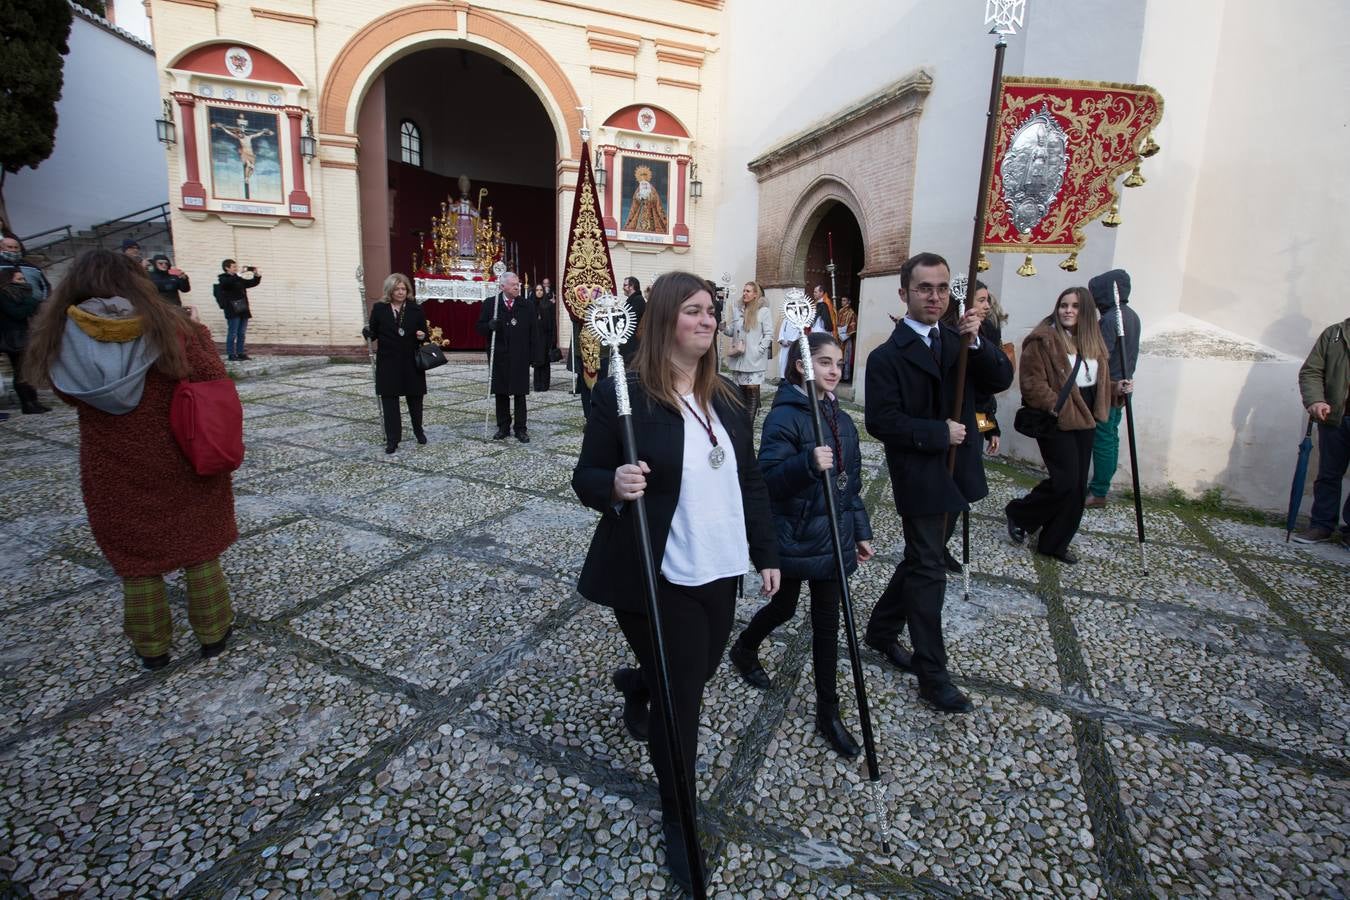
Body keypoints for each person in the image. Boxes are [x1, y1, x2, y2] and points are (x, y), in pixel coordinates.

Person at [572, 271, 779, 893]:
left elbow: (750, 482)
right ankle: (681, 815)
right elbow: (586, 475)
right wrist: (613, 485)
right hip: (653, 570)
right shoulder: (624, 393)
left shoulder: (733, 399)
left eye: (711, 311)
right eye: (693, 311)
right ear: (664, 319)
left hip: (718, 565)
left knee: (695, 669)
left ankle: (637, 683)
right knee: (684, 698)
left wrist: (766, 552)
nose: (708, 320)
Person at [24, 250, 237, 668]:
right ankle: (213, 635)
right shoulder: (174, 328)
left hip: (112, 463)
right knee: (200, 548)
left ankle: (152, 648)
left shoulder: (60, 333)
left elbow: (66, 393)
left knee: (137, 561)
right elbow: (214, 380)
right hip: (182, 455)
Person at [862, 252, 1013, 714]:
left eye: (943, 288)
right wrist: (936, 433)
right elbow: (880, 421)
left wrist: (978, 342)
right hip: (921, 473)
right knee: (929, 571)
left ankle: (882, 630)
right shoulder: (886, 357)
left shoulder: (957, 340)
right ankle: (933, 675)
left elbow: (1001, 379)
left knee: (920, 559)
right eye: (925, 288)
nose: (935, 297)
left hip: (958, 469)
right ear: (904, 292)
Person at [730, 332, 873, 757]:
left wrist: (860, 531)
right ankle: (744, 647)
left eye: (838, 363)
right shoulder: (785, 417)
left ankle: (828, 711)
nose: (834, 370)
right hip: (794, 533)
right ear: (801, 366)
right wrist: (807, 464)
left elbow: (850, 484)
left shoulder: (840, 419)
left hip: (832, 538)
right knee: (785, 606)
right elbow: (767, 479)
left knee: (828, 625)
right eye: (825, 362)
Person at [1006, 287, 1127, 564]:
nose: (1068, 310)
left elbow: (1093, 385)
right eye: (1063, 305)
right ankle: (1020, 513)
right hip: (1058, 418)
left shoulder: (1093, 344)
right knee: (1065, 482)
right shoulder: (1042, 340)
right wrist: (1057, 408)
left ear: (1086, 312)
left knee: (1077, 486)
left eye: (1074, 306)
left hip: (1086, 417)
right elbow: (1032, 383)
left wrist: (1116, 388)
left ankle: (1054, 543)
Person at [1086, 269, 1140, 508]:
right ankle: (1100, 487)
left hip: (1108, 388)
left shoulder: (1112, 319)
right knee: (1110, 436)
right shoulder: (1131, 315)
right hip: (1119, 386)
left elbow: (1099, 355)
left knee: (1104, 438)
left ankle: (1098, 491)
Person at [1294, 315, 1350, 544]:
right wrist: (1315, 401)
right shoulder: (1335, 334)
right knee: (1328, 474)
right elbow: (1311, 371)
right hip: (1337, 417)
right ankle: (1321, 525)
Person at [363, 273, 429, 454]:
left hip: (411, 361)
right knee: (390, 402)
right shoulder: (379, 309)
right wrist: (367, 332)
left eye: (403, 289)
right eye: (397, 289)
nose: (401, 292)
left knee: (415, 400)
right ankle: (393, 439)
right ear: (390, 290)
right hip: (388, 362)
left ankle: (418, 430)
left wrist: (422, 335)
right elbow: (374, 333)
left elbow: (424, 332)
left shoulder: (415, 309)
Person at [476, 272, 540, 442]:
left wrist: (534, 356)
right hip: (499, 356)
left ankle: (520, 428)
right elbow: (480, 327)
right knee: (501, 393)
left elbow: (534, 331)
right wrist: (489, 326)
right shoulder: (492, 304)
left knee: (520, 393)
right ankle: (503, 426)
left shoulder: (526, 305)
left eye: (518, 284)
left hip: (520, 356)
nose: (517, 287)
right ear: (502, 286)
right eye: (513, 285)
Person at [719, 280, 774, 427]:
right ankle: (742, 421)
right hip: (739, 358)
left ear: (755, 294)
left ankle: (748, 425)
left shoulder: (763, 311)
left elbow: (768, 334)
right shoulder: (738, 310)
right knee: (741, 391)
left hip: (754, 359)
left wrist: (759, 350)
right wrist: (723, 327)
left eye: (748, 291)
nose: (744, 293)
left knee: (752, 391)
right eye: (744, 290)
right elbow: (733, 332)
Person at [1, 267, 52, 414]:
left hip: (24, 334)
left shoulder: (21, 294)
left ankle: (34, 401)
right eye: (19, 279)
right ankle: (27, 404)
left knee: (27, 370)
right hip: (13, 338)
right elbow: (17, 313)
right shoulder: (5, 294)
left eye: (23, 279)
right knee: (20, 371)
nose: (23, 282)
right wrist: (31, 301)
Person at [969, 281, 1010, 454]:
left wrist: (990, 428)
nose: (987, 306)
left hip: (974, 421)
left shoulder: (985, 335)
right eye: (981, 300)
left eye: (988, 302)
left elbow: (981, 398)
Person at [216, 259, 261, 360]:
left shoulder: (238, 279)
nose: (236, 269)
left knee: (241, 333)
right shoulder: (223, 278)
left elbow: (252, 283)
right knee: (233, 332)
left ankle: (240, 352)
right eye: (234, 267)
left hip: (242, 308)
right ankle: (231, 354)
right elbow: (227, 284)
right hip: (232, 309)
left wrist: (256, 275)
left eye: (236, 267)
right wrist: (239, 274)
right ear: (227, 268)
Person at [1, 235, 52, 301]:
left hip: (37, 306)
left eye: (16, 247)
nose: (13, 250)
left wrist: (44, 303)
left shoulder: (32, 267)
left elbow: (46, 286)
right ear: (1, 249)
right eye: (10, 247)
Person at [532, 283, 556, 392]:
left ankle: (545, 384)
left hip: (545, 337)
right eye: (537, 290)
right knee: (537, 361)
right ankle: (537, 384)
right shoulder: (531, 304)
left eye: (541, 290)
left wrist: (552, 340)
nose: (539, 292)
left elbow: (552, 323)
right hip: (535, 337)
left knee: (545, 361)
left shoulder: (549, 305)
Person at [620, 276, 646, 365]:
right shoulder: (631, 301)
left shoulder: (638, 300)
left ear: (631, 286)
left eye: (625, 285)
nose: (623, 287)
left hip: (632, 347)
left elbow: (629, 320)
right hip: (627, 345)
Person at [836, 296, 857, 382]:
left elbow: (853, 325)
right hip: (839, 337)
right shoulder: (839, 311)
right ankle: (838, 375)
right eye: (842, 300)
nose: (842, 302)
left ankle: (846, 376)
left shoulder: (851, 313)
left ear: (849, 301)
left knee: (846, 356)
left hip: (846, 338)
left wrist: (845, 334)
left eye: (844, 300)